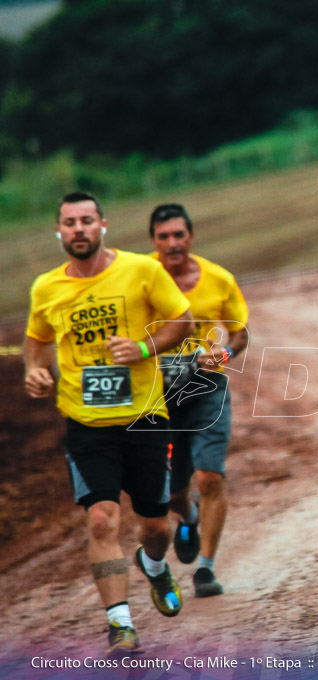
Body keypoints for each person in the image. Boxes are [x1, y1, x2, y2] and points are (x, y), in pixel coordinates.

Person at [23, 192, 194, 657]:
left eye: (86, 221)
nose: (78, 229)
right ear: (59, 232)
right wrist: (34, 370)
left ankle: (154, 566)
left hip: (144, 417)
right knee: (101, 519)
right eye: (69, 223)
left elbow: (183, 321)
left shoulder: (142, 270)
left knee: (155, 525)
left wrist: (142, 349)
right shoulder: (46, 288)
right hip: (85, 422)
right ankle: (119, 624)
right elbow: (36, 339)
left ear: (103, 226)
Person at [148, 202, 249, 597]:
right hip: (158, 394)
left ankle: (205, 569)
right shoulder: (141, 277)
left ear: (190, 236)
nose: (173, 243)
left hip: (207, 389)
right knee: (171, 492)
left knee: (210, 476)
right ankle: (186, 516)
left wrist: (223, 355)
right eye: (164, 236)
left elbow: (240, 334)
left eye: (179, 235)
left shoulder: (219, 279)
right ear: (153, 241)